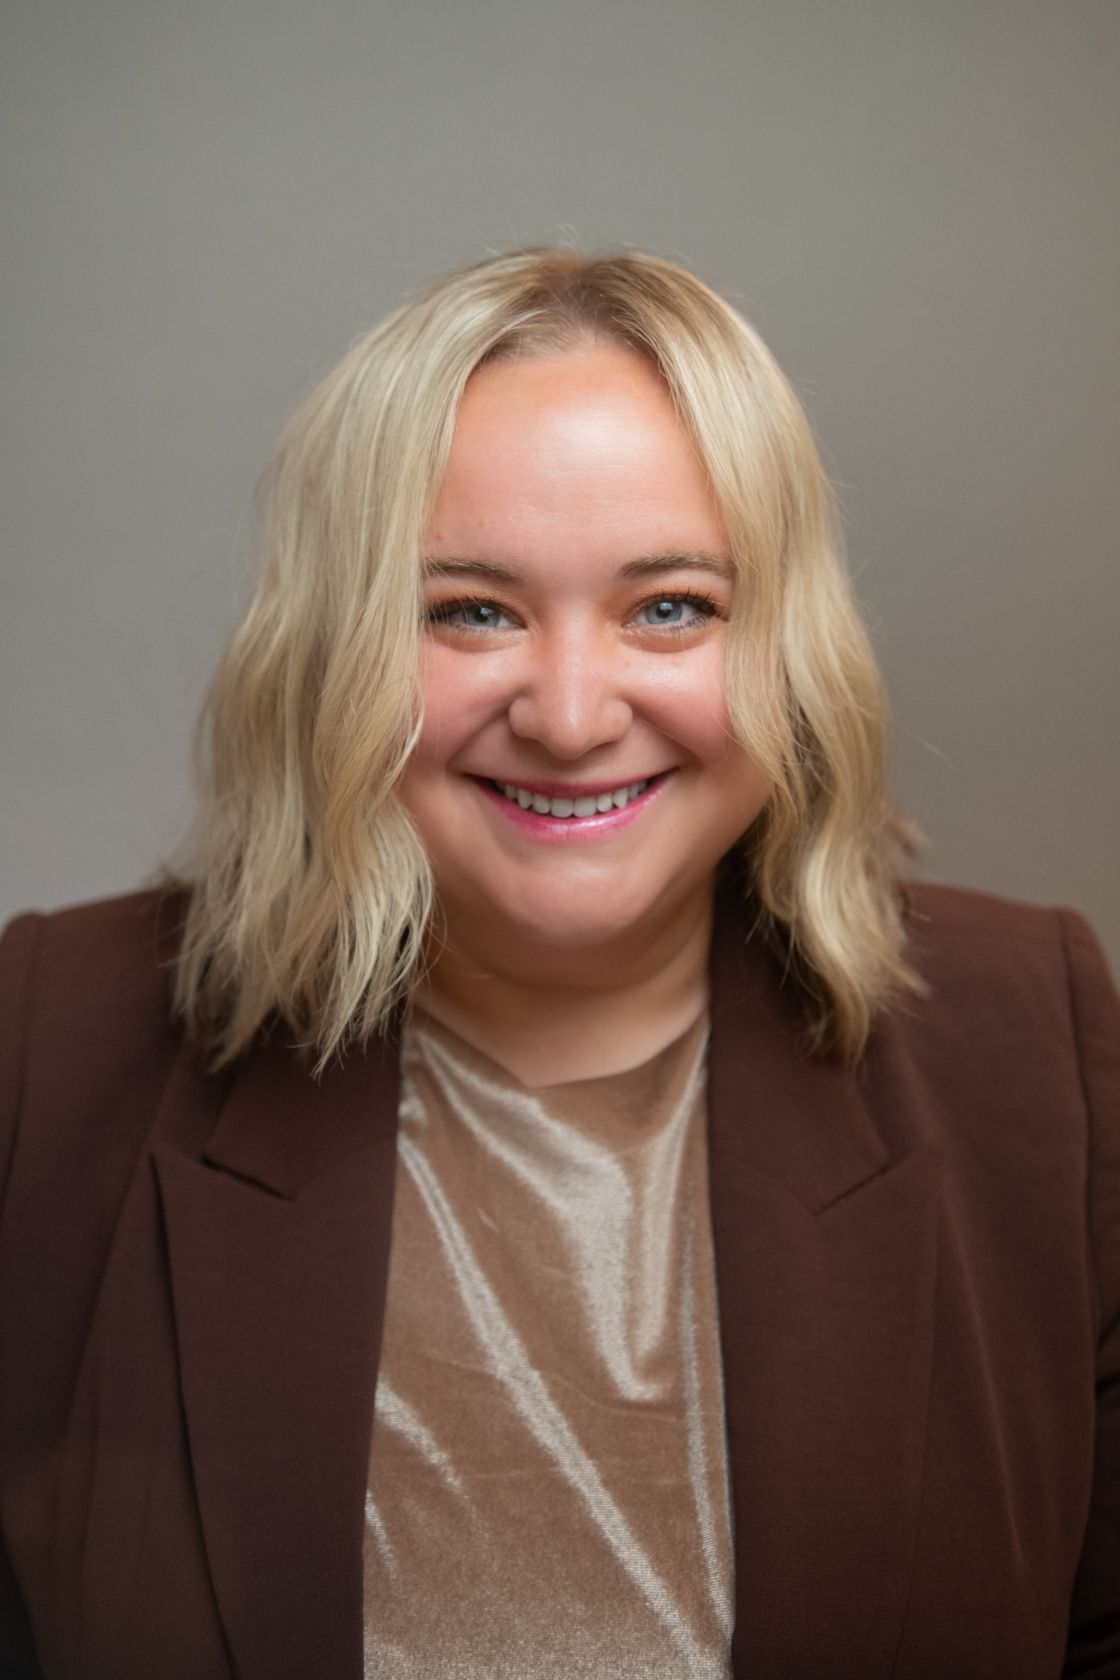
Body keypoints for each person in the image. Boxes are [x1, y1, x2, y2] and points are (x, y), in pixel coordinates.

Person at [0, 247, 1116, 1680]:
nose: (575, 715)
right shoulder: (46, 1045)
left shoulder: (1040, 1041)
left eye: (672, 607)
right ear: (337, 648)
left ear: (787, 647)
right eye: (470, 608)